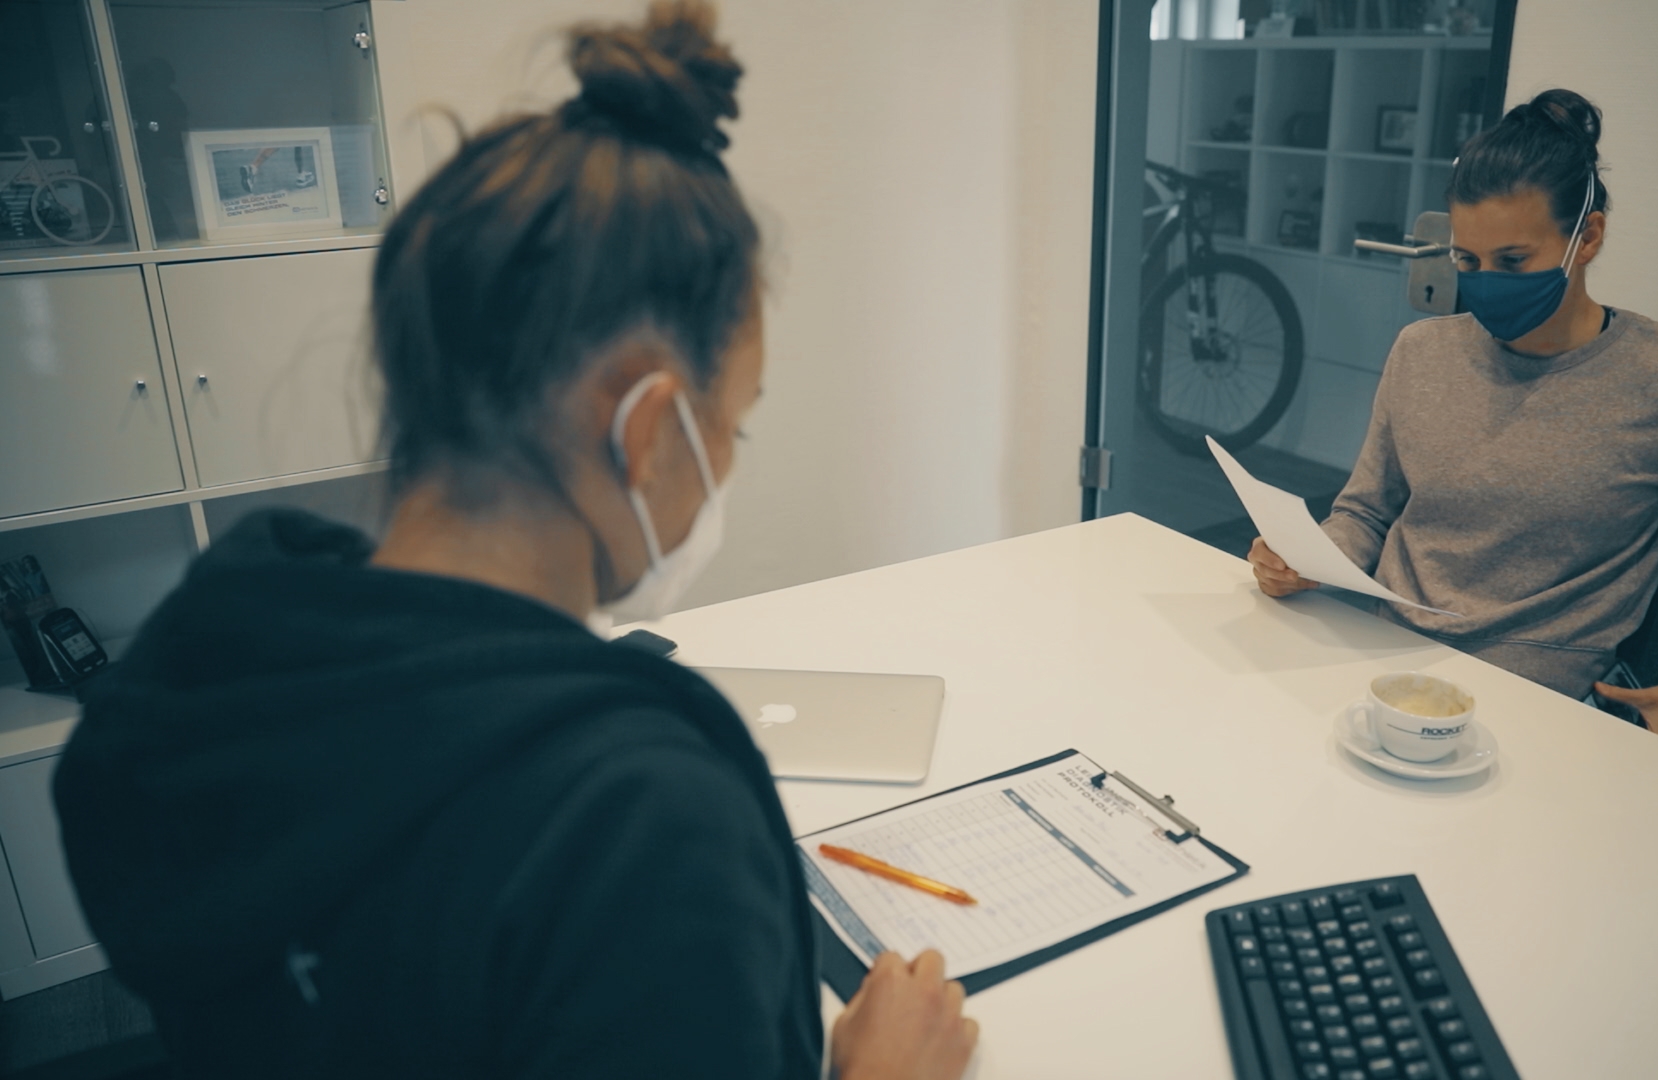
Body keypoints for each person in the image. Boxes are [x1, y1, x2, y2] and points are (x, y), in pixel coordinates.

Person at [53, 5, 976, 1078]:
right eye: (735, 418)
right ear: (644, 430)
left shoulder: (215, 650)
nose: (729, 459)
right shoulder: (644, 827)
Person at [1248, 89, 1658, 740]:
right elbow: (1366, 511)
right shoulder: (1422, 352)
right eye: (1468, 260)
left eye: (1513, 260)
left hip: (1538, 715)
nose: (1487, 280)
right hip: (1384, 675)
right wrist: (1307, 557)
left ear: (1588, 238)